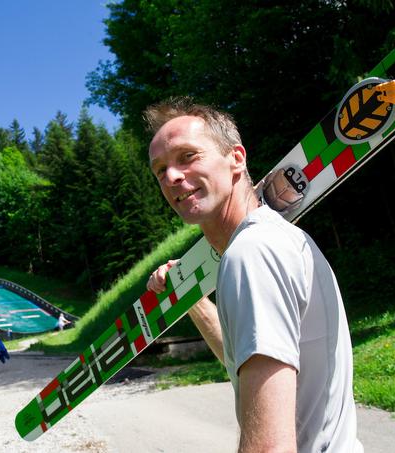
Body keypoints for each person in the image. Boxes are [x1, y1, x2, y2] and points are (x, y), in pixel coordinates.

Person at [144, 98, 361, 452]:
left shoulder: (252, 253)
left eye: (187, 156)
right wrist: (192, 300)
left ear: (236, 159)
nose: (171, 177)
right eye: (160, 170)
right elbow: (245, 359)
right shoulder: (272, 240)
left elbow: (270, 447)